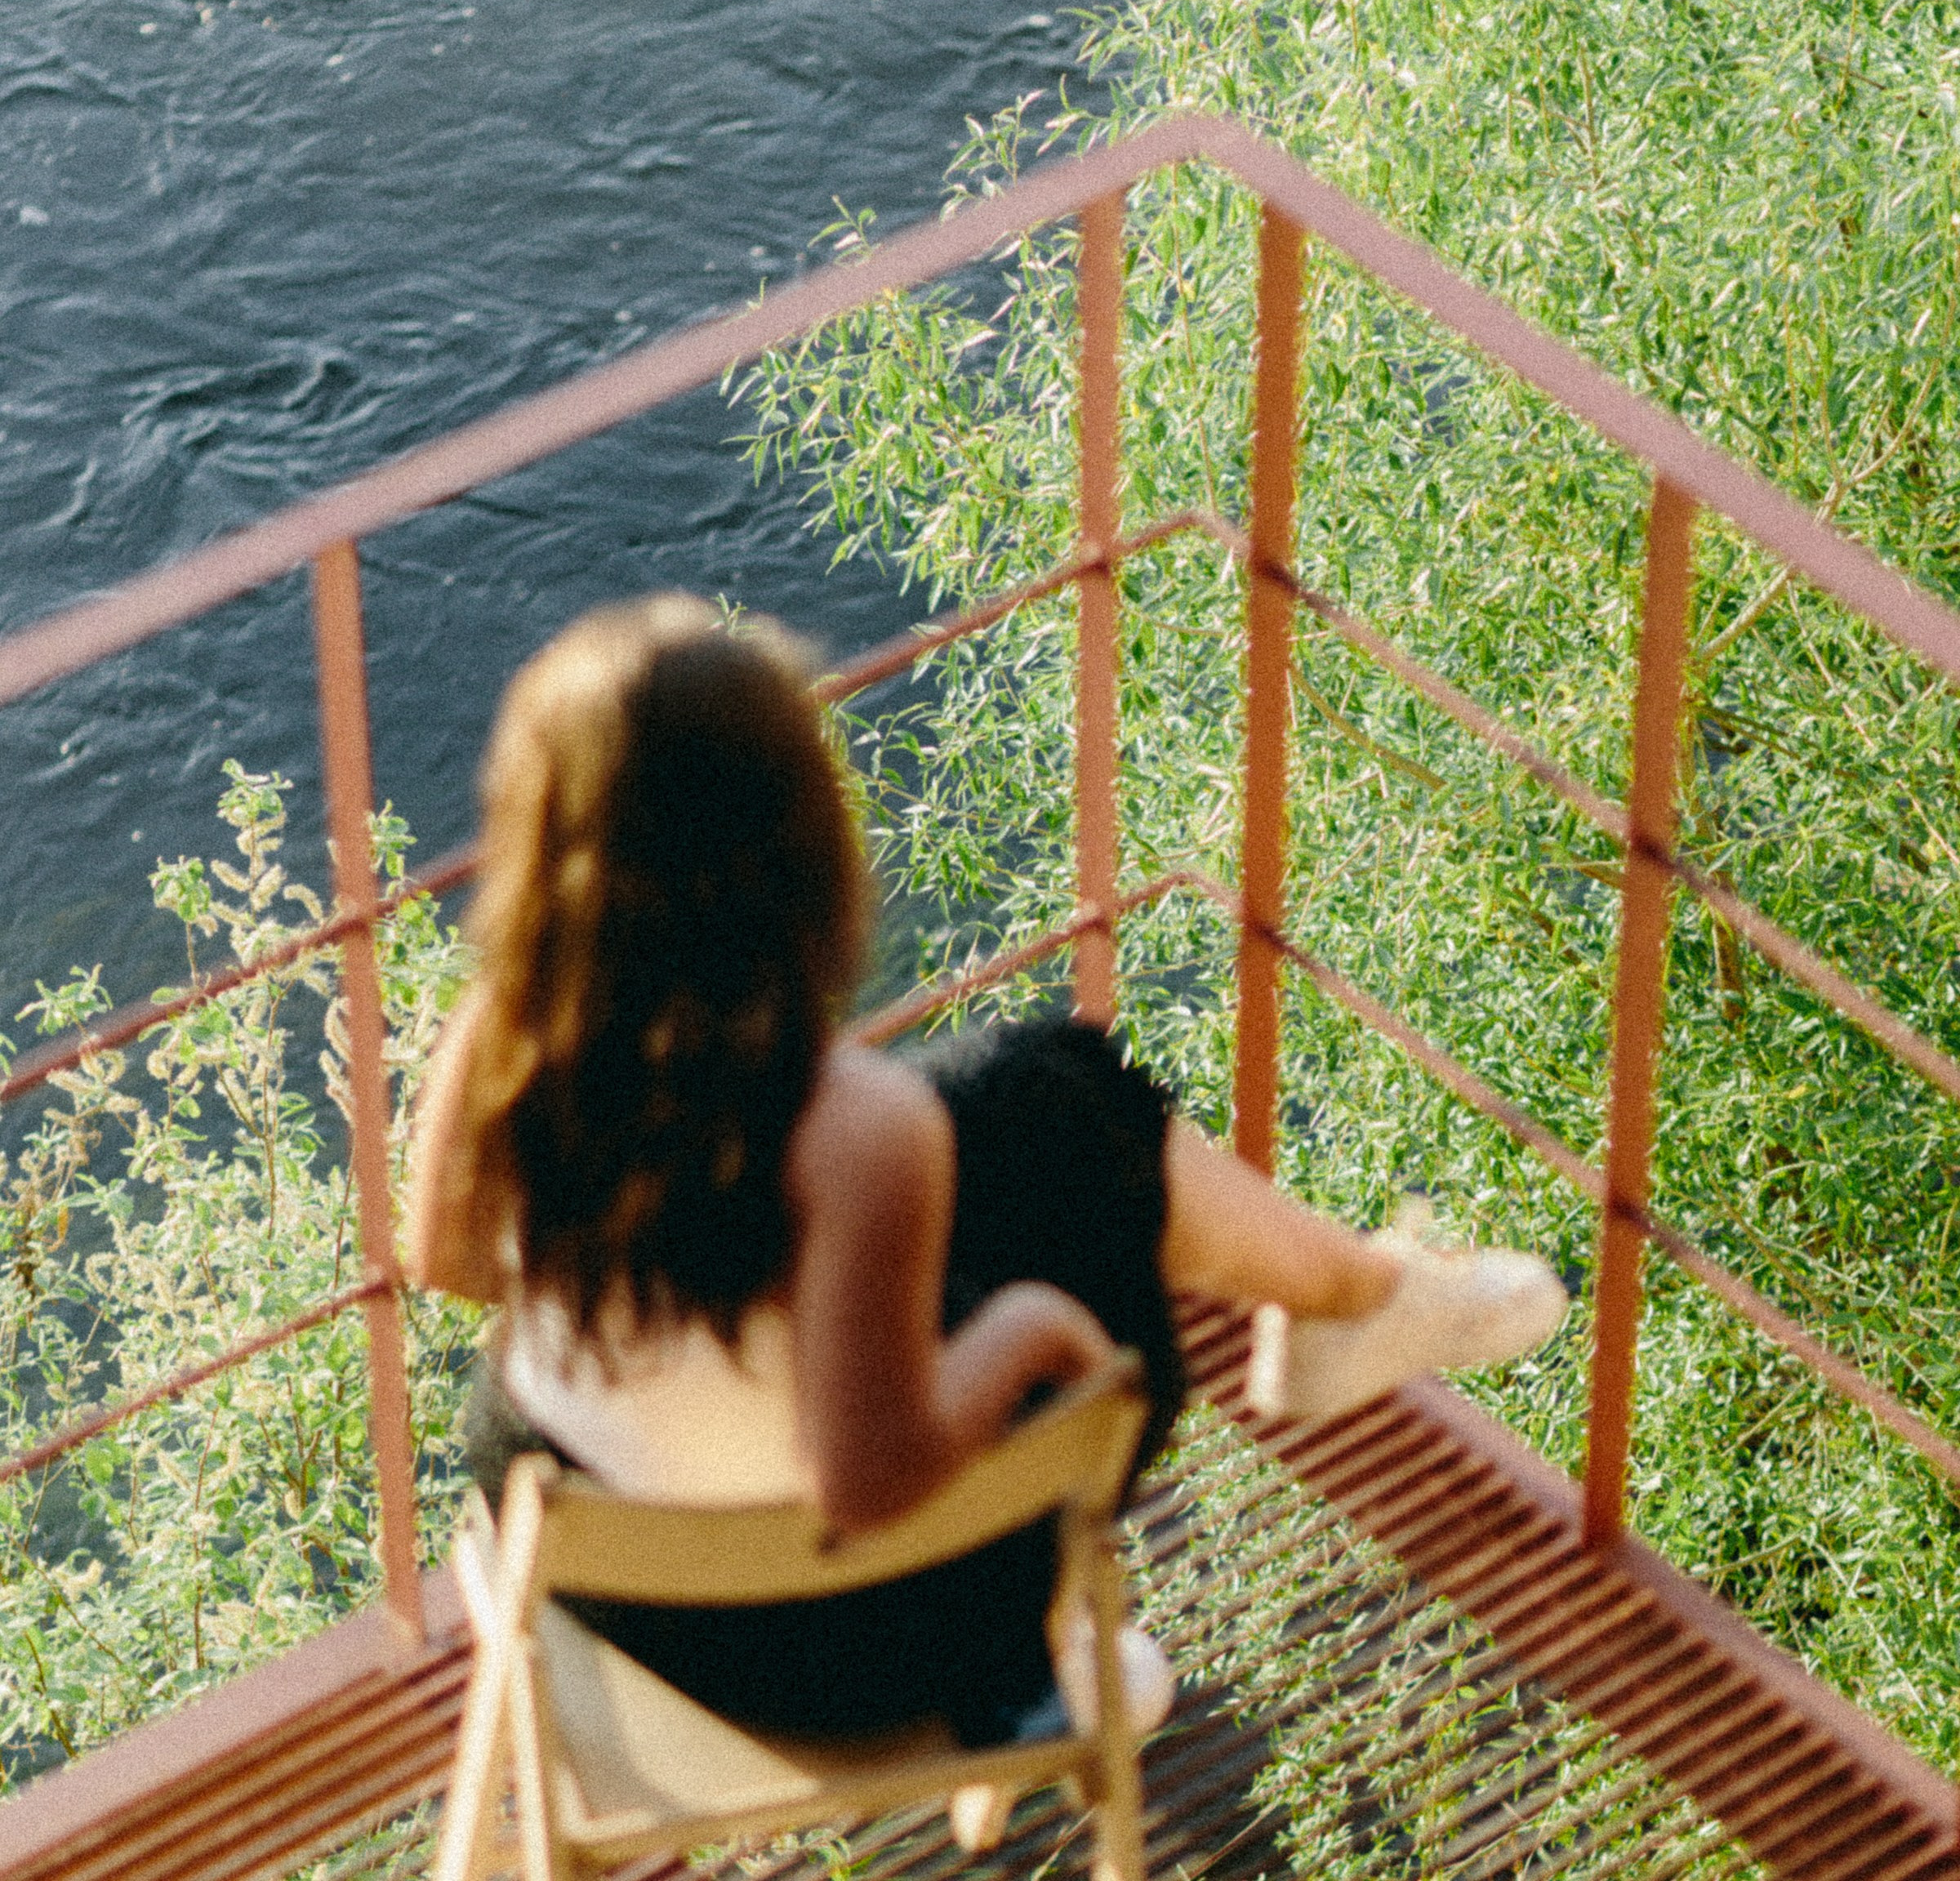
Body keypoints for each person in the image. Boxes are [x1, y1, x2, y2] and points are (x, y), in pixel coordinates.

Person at [405, 595, 1565, 1758]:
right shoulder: (859, 1134)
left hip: (601, 1590)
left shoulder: (501, 1043)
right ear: (800, 848)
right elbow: (870, 1482)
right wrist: (1023, 1326)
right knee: (1105, 1300)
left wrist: (637, 1262)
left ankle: (1355, 1296)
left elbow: (443, 1259)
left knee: (1047, 1093)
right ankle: (1043, 1650)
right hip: (839, 1661)